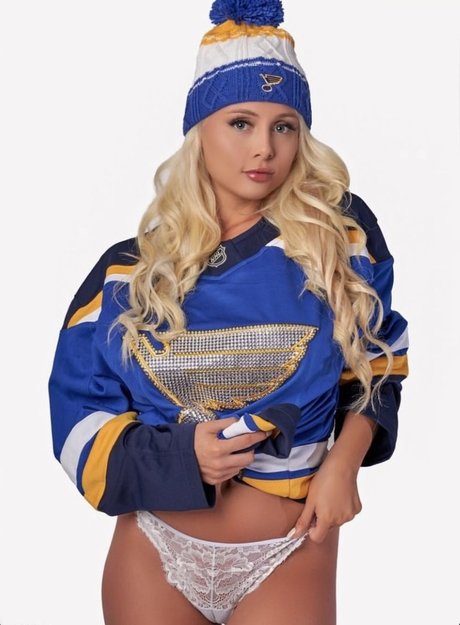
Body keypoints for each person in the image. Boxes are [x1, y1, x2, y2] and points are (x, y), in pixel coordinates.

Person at [48, 1, 409, 623]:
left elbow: (379, 363)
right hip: (153, 550)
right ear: (200, 130)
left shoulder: (337, 235)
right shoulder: (126, 272)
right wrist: (182, 456)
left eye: (284, 126)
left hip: (290, 549)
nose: (264, 148)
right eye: (240, 122)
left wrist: (343, 466)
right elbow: (77, 416)